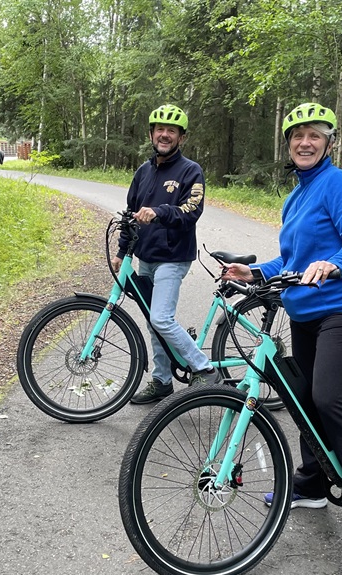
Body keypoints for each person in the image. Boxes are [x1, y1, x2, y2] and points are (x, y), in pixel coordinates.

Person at [220, 102, 342, 544]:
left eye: (315, 135)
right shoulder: (296, 195)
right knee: (301, 399)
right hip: (303, 313)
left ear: (329, 143)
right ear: (289, 144)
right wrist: (256, 272)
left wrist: (335, 265)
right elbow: (292, 258)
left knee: (327, 398)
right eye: (297, 135)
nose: (305, 142)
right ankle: (314, 483)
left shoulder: (339, 184)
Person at [111, 103, 221, 404]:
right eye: (160, 129)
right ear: (151, 133)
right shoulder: (143, 172)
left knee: (161, 317)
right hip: (145, 256)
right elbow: (130, 214)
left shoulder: (190, 171)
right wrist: (123, 251)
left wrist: (158, 211)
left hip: (173, 257)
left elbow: (191, 211)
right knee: (152, 319)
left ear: (181, 138)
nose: (165, 135)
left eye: (171, 131)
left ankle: (204, 369)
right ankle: (161, 381)